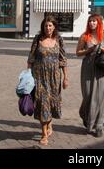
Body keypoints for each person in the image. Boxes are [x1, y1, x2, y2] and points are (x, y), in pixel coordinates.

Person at [76, 14, 104, 138]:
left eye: (94, 21)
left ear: (99, 22)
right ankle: (85, 115)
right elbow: (78, 52)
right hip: (88, 68)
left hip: (101, 69)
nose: (92, 23)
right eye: (90, 21)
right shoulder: (84, 36)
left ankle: (99, 126)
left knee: (101, 97)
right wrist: (87, 51)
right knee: (88, 95)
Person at [27, 15, 68, 146]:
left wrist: (65, 77)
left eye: (50, 25)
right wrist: (27, 75)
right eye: (45, 26)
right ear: (42, 27)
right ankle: (44, 134)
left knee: (51, 102)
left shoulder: (59, 39)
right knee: (42, 102)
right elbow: (31, 58)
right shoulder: (38, 39)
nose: (48, 28)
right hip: (39, 76)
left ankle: (49, 123)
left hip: (54, 77)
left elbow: (63, 60)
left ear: (54, 27)